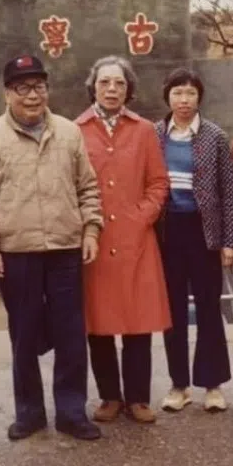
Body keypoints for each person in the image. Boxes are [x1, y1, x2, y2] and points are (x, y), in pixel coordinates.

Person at [0, 53, 104, 441]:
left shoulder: (69, 132)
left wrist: (91, 230)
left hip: (65, 248)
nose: (32, 95)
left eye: (39, 86)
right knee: (24, 335)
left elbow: (87, 187)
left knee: (71, 334)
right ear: (7, 93)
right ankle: (29, 412)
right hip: (17, 250)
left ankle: (72, 411)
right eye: (23, 88)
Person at [73, 56, 171, 424]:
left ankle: (138, 397)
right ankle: (110, 396)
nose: (111, 90)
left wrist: (141, 216)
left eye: (119, 84)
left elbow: (159, 183)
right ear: (93, 87)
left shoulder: (144, 129)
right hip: (93, 238)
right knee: (98, 321)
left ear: (128, 89)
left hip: (136, 238)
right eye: (104, 83)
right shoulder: (75, 130)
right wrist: (86, 224)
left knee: (137, 319)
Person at [153, 69, 233, 413]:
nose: (184, 100)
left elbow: (229, 192)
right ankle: (178, 385)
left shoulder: (215, 136)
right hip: (167, 231)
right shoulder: (154, 134)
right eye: (177, 93)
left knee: (208, 307)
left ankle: (212, 384)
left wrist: (230, 241)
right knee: (171, 311)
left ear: (199, 97)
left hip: (205, 231)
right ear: (168, 97)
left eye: (190, 93)